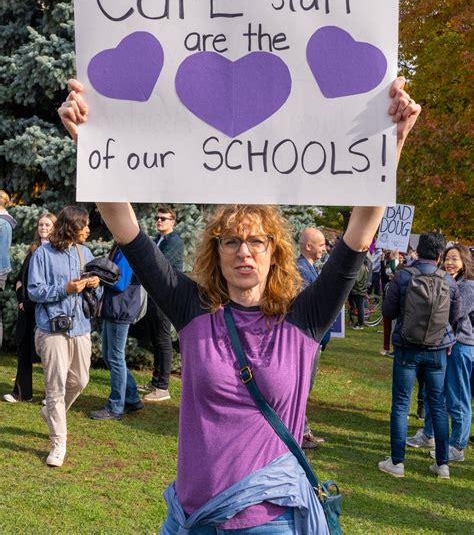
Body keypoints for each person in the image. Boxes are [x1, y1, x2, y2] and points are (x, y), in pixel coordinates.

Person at [59, 77, 419, 533]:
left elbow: (357, 238)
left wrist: (392, 144)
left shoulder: (304, 318)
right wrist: (89, 142)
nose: (243, 251)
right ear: (216, 251)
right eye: (231, 241)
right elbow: (127, 230)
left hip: (268, 518)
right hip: (191, 516)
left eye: (255, 241)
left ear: (274, 251)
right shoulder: (192, 307)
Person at [378, 232, 458, 480]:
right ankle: (442, 464)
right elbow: (455, 317)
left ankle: (397, 462)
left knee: (401, 404)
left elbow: (388, 310)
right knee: (437, 405)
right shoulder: (449, 280)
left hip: (407, 349)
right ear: (440, 254)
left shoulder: (404, 276)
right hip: (437, 351)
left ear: (418, 249)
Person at [28, 206, 102, 468]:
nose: (88, 230)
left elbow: (97, 294)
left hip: (80, 326)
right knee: (55, 386)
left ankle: (50, 412)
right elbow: (34, 291)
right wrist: (64, 289)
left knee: (80, 380)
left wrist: (95, 284)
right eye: (85, 225)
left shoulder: (86, 252)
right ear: (71, 226)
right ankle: (59, 443)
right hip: (51, 328)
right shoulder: (43, 254)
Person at [407, 243, 473, 461]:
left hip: (461, 347)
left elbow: (452, 315)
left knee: (457, 398)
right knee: (436, 394)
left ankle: (457, 446)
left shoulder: (466, 286)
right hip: (447, 345)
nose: (450, 262)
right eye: (447, 258)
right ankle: (429, 434)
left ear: (465, 262)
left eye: (455, 259)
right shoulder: (452, 282)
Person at [3, 213, 57, 403]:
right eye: (41, 224)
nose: (43, 227)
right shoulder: (33, 250)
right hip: (25, 309)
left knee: (49, 355)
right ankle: (22, 392)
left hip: (44, 309)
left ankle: (52, 396)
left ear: (54, 228)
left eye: (47, 225)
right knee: (23, 348)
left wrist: (30, 302)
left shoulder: (54, 252)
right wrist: (21, 299)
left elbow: (50, 284)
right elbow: (20, 278)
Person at [89, 243, 144, 420]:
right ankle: (132, 398)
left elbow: (120, 283)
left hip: (120, 309)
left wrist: (98, 275)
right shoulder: (121, 248)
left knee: (115, 357)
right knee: (109, 355)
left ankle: (115, 407)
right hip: (115, 309)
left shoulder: (128, 251)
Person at [138, 206, 184, 403]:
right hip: (154, 294)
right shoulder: (160, 239)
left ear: (172, 221)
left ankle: (163, 387)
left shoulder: (174, 242)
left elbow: (159, 264)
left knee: (163, 339)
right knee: (156, 338)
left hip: (166, 295)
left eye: (164, 219)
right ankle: (156, 381)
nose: (159, 221)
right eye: (157, 218)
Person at [296, 228, 328, 449]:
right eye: (321, 244)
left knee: (306, 386)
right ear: (309, 246)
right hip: (305, 338)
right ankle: (300, 432)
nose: (324, 248)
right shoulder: (300, 270)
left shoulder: (310, 269)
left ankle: (301, 429)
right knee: (302, 386)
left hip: (313, 338)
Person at [347, 257, 369, 329]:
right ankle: (352, 320)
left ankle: (360, 324)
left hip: (358, 291)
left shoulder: (360, 267)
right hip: (357, 290)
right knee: (352, 305)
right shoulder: (363, 266)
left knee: (360, 308)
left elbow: (356, 280)